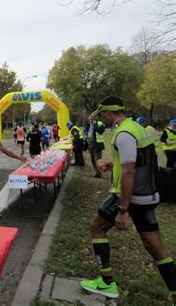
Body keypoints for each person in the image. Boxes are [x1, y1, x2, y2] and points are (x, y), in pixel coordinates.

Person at [80, 96, 176, 301]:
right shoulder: (137, 128)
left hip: (128, 196)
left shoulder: (123, 133)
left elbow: (130, 172)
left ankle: (106, 282)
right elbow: (137, 162)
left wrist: (124, 210)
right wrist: (110, 165)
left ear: (108, 112)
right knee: (155, 246)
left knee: (96, 227)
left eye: (102, 114)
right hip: (148, 194)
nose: (102, 119)